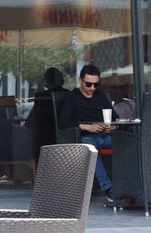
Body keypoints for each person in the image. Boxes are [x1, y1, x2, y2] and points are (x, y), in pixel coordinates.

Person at [57, 64, 115, 203]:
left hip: (104, 135)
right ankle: (108, 189)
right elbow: (63, 123)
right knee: (90, 148)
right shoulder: (71, 97)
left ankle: (131, 188)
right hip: (85, 137)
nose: (92, 88)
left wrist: (111, 126)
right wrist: (88, 127)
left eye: (96, 84)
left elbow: (114, 116)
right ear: (80, 80)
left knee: (128, 143)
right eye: (89, 84)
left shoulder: (100, 96)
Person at [26, 67, 66, 174]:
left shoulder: (42, 97)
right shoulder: (69, 94)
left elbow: (31, 122)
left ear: (46, 81)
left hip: (44, 141)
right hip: (66, 137)